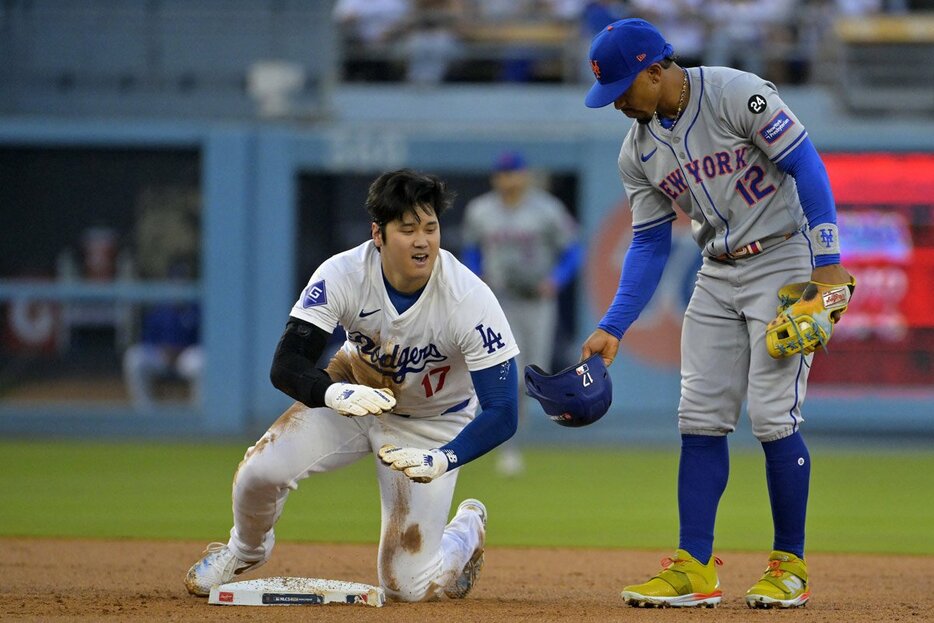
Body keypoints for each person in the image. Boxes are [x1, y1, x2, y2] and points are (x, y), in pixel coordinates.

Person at [581, 18, 854, 609]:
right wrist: (614, 323)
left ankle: (789, 566)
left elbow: (806, 165)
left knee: (774, 415)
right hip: (716, 270)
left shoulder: (734, 93)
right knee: (699, 417)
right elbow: (650, 244)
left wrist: (828, 263)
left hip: (786, 258)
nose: (619, 103)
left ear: (656, 69)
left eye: (625, 88)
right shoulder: (638, 151)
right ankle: (694, 568)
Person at [184, 169, 520, 602]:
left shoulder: (468, 298)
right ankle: (244, 551)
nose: (423, 241)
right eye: (408, 228)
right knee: (259, 472)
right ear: (378, 233)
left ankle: (465, 533)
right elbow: (286, 364)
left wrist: (444, 457)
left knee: (406, 587)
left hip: (431, 423)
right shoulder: (343, 273)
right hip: (353, 389)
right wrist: (333, 392)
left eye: (431, 227)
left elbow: (503, 411)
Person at [461, 151, 582, 476]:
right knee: (508, 371)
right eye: (502, 174)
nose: (507, 179)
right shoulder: (481, 210)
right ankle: (507, 446)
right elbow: (470, 248)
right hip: (498, 299)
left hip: (535, 300)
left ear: (523, 175)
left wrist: (556, 280)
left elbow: (573, 250)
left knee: (532, 372)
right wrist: (476, 276)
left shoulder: (547, 209)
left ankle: (513, 438)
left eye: (512, 173)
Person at [122, 300, 202, 410]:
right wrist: (163, 350)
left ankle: (199, 411)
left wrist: (179, 350)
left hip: (186, 356)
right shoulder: (159, 310)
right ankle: (145, 411)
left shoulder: (197, 310)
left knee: (201, 360)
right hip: (161, 356)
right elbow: (146, 341)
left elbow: (204, 341)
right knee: (134, 356)